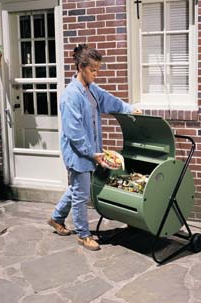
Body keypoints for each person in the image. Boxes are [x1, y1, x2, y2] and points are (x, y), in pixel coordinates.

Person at [48, 44, 141, 251]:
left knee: (76, 189)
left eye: (98, 69)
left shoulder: (92, 89)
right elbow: (74, 133)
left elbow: (110, 101)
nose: (96, 74)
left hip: (91, 152)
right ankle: (83, 235)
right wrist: (92, 154)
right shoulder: (71, 96)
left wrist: (129, 108)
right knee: (82, 194)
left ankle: (56, 218)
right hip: (78, 154)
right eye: (93, 70)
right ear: (81, 67)